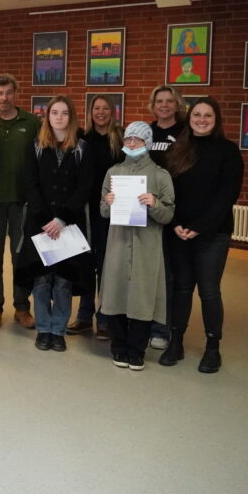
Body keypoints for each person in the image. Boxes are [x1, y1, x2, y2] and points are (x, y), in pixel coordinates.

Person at [162, 98, 243, 373]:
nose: (202, 119)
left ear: (216, 119)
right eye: (197, 114)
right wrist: (175, 224)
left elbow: (226, 196)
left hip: (213, 234)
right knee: (181, 288)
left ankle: (212, 348)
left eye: (208, 115)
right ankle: (176, 341)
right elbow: (167, 192)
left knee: (209, 291)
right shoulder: (177, 149)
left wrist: (199, 226)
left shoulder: (228, 152)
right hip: (179, 232)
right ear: (190, 118)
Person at [16, 95, 93, 352]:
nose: (59, 117)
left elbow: (84, 187)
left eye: (64, 113)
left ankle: (58, 330)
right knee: (41, 279)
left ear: (71, 117)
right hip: (40, 224)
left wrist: (62, 219)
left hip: (68, 225)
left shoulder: (82, 147)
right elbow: (30, 184)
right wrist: (46, 219)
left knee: (63, 280)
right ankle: (44, 328)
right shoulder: (36, 146)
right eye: (54, 113)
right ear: (47, 117)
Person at [99, 122, 175, 370]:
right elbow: (103, 211)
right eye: (128, 139)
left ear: (148, 143)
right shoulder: (113, 173)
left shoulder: (160, 176)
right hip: (119, 243)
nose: (131, 144)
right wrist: (109, 202)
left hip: (146, 246)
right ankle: (118, 346)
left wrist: (154, 203)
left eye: (138, 140)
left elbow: (168, 215)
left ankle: (137, 349)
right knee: (116, 294)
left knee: (142, 298)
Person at [0, 73, 41, 329]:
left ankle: (22, 307)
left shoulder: (31, 122)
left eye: (8, 93)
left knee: (20, 256)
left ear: (16, 94)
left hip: (22, 201)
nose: (4, 98)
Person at [68, 94, 123, 340]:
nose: (100, 112)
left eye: (105, 108)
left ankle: (104, 318)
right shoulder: (82, 139)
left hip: (111, 211)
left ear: (113, 112)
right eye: (96, 108)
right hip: (86, 210)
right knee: (86, 263)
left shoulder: (119, 138)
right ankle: (83, 316)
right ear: (90, 112)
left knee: (106, 265)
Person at [145, 84, 185, 349]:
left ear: (176, 105)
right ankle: (143, 322)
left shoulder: (186, 133)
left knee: (168, 273)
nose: (164, 105)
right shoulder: (146, 132)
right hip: (145, 209)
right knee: (148, 271)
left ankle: (163, 327)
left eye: (169, 101)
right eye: (160, 100)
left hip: (171, 209)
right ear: (153, 104)